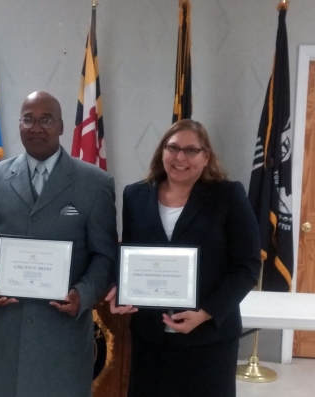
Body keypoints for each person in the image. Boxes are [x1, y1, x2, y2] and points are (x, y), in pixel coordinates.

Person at [0, 91, 117, 397]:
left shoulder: (95, 183)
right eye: (28, 119)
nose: (37, 127)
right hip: (10, 332)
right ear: (19, 125)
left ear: (61, 127)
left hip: (64, 334)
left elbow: (106, 256)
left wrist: (82, 294)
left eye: (46, 120)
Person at [106, 119, 261, 397]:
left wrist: (206, 313)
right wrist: (122, 287)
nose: (180, 157)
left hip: (209, 337)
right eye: (173, 148)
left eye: (191, 150)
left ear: (206, 157)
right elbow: (131, 256)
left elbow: (247, 266)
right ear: (162, 152)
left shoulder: (228, 195)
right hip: (150, 336)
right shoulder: (135, 195)